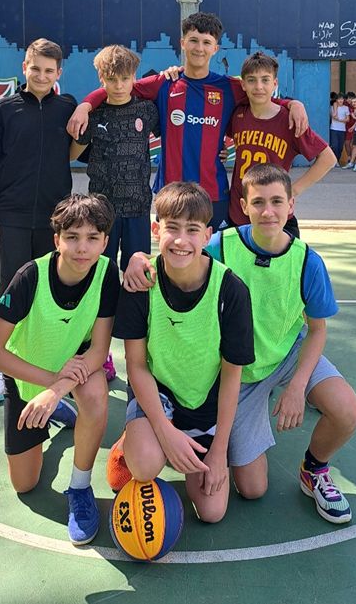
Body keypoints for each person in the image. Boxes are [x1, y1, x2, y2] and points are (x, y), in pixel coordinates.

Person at [122, 163, 356, 525]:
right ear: (244, 206)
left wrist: (298, 386)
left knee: (346, 409)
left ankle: (315, 470)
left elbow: (317, 330)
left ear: (291, 206)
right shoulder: (221, 246)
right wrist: (137, 258)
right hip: (240, 372)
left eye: (277, 202)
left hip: (285, 356)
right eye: (258, 202)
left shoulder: (307, 262)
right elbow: (178, 249)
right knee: (251, 488)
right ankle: (147, 440)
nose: (268, 211)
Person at [67, 12, 308, 232]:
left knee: (212, 258)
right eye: (193, 40)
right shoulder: (165, 82)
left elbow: (261, 94)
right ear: (182, 43)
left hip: (214, 194)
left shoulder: (229, 87)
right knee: (175, 255)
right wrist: (85, 105)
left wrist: (292, 104)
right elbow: (118, 87)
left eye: (206, 42)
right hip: (170, 192)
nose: (199, 48)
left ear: (215, 48)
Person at [0, 194, 120, 545]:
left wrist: (56, 389)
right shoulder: (30, 276)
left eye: (92, 238)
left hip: (73, 370)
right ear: (57, 240)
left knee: (96, 394)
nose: (82, 247)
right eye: (72, 237)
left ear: (105, 242)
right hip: (28, 376)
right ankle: (56, 408)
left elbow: (99, 350)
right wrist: (49, 385)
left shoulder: (106, 272)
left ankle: (80, 488)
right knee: (25, 485)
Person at [112, 181, 254, 523]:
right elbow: (136, 366)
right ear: (155, 230)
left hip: (206, 400)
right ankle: (133, 440)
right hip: (159, 393)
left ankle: (184, 442)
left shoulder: (231, 290)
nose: (180, 240)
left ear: (207, 236)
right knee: (145, 465)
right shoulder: (141, 283)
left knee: (212, 513)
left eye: (192, 230)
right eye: (172, 228)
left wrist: (219, 451)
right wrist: (165, 431)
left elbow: (232, 375)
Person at [0, 38, 79, 404]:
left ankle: (52, 368)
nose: (42, 76)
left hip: (54, 222)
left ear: (59, 73)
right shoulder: (5, 110)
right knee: (11, 292)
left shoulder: (67, 108)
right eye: (36, 68)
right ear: (24, 68)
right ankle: (3, 370)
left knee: (51, 294)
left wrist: (85, 114)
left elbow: (83, 148)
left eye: (49, 71)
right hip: (11, 219)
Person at [71, 45, 159, 271]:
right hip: (101, 209)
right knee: (101, 271)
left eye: (125, 78)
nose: (119, 86)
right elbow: (71, 155)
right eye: (111, 79)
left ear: (134, 77)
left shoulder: (147, 111)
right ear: (101, 78)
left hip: (138, 208)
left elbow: (175, 135)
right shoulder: (93, 115)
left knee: (137, 273)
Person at [227, 51, 337, 230]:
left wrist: (293, 190)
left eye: (265, 80)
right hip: (239, 214)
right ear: (243, 85)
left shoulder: (290, 120)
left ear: (275, 83)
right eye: (252, 80)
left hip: (275, 217)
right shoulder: (238, 114)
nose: (259, 86)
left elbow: (328, 158)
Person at [329, 92, 349, 166]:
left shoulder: (346, 108)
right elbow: (334, 116)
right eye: (339, 99)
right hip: (333, 129)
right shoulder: (332, 107)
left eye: (342, 99)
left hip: (342, 130)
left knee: (340, 147)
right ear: (336, 100)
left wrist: (340, 120)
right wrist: (335, 107)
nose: (340, 100)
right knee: (334, 146)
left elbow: (348, 119)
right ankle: (334, 161)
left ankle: (337, 160)